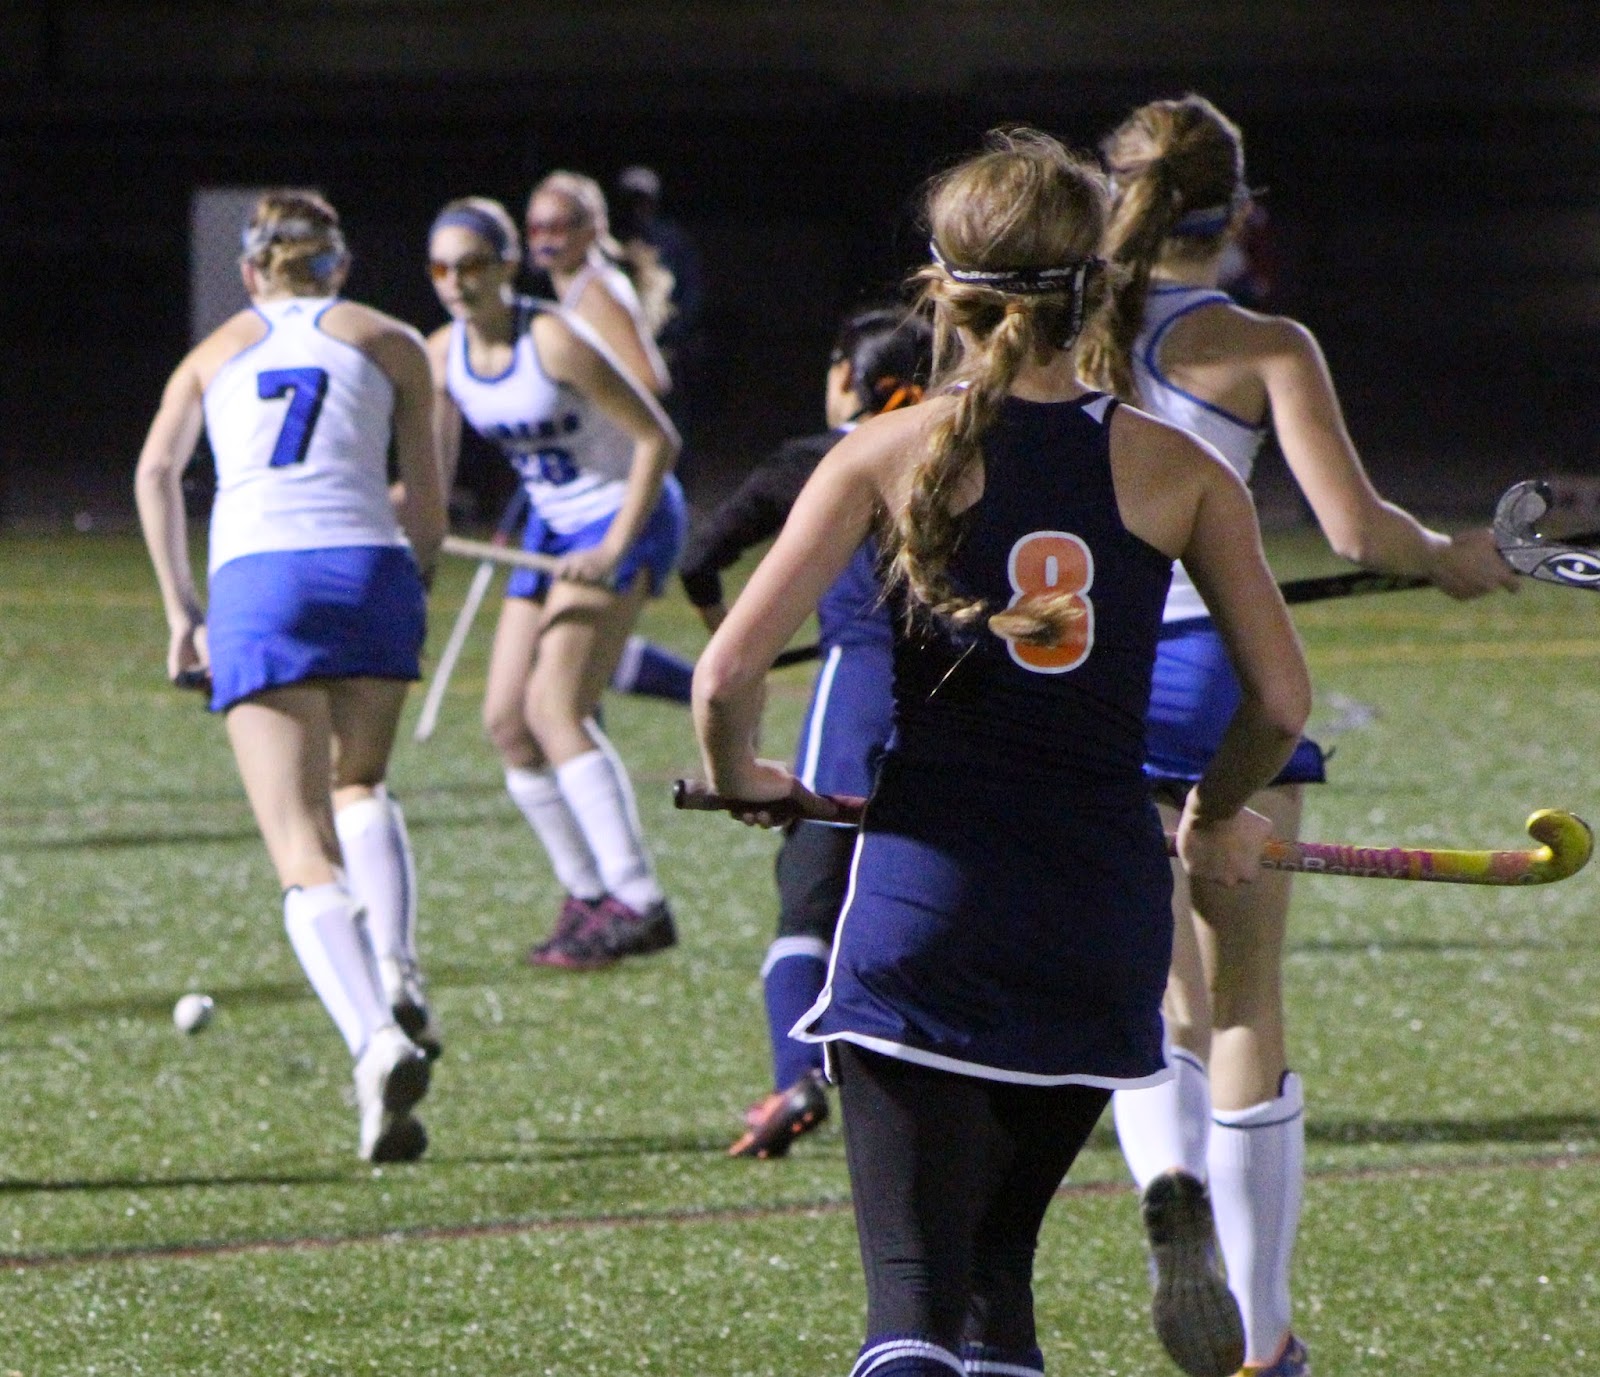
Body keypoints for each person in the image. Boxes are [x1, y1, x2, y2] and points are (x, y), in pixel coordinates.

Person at [692, 129, 1312, 1377]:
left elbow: (724, 676)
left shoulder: (881, 453)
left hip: (927, 908)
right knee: (997, 1290)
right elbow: (1280, 704)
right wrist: (1212, 816)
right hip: (1097, 922)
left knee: (913, 1305)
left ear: (942, 291)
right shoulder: (1180, 466)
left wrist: (739, 776)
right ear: (1098, 285)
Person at [1078, 94, 1519, 1377]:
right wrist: (1444, 559)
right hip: (1214, 674)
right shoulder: (1261, 342)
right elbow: (1354, 529)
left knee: (1150, 990)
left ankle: (1164, 1177)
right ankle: (1262, 1341)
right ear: (1237, 209)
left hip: (1085, 673)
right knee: (1243, 1004)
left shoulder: (1057, 325)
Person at [134, 190, 448, 1162]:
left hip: (260, 578)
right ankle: (395, 964)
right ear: (339, 265)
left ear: (249, 271)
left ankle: (375, 1039)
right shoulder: (394, 341)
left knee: (300, 847)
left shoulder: (212, 352)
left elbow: (155, 473)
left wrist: (182, 613)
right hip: (368, 567)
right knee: (361, 785)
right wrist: (412, 579)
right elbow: (428, 501)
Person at [678, 305, 933, 1158]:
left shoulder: (821, 460)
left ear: (847, 379)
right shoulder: (970, 452)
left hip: (857, 694)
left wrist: (729, 628)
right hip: (965, 696)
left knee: (810, 902)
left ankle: (796, 1074)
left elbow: (701, 557)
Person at [425, 196, 686, 972]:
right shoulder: (441, 354)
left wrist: (611, 547)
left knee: (555, 706)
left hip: (622, 513)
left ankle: (640, 900)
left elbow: (658, 439)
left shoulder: (553, 340)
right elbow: (431, 478)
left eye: (473, 265)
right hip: (548, 524)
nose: (456, 282)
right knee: (508, 721)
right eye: (441, 268)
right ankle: (587, 895)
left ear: (507, 266)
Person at [525, 170, 694, 701]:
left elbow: (649, 378)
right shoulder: (576, 289)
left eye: (559, 226)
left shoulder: (593, 291)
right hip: (584, 483)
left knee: (562, 683)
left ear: (593, 228)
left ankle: (705, 691)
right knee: (568, 664)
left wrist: (581, 413)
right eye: (535, 228)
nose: (545, 238)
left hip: (617, 489)